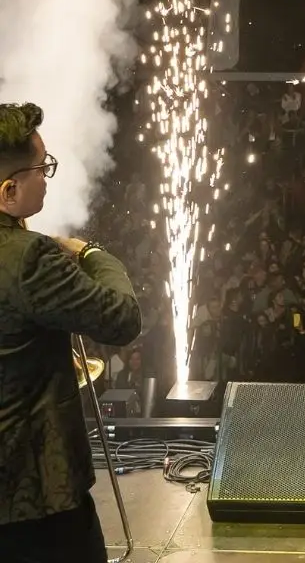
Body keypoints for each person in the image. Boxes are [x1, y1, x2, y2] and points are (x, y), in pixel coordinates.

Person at [0, 103, 142, 563]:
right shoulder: (28, 258)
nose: (47, 175)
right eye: (42, 168)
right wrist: (90, 253)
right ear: (8, 191)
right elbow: (121, 317)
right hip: (34, 496)